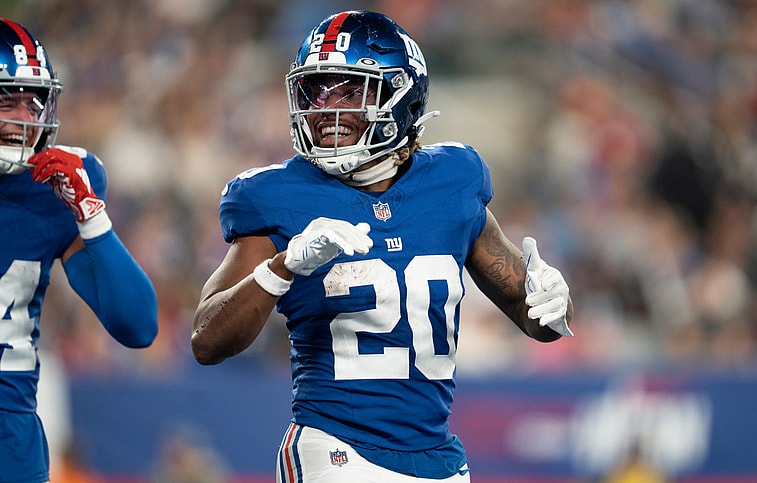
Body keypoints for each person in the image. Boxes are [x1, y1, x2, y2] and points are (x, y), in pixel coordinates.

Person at [191, 10, 573, 482]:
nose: (325, 109)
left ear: (401, 95)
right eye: (315, 91)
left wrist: (553, 300)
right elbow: (207, 341)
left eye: (349, 91)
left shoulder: (453, 179)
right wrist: (281, 267)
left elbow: (533, 316)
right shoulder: (274, 195)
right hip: (335, 447)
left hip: (439, 459)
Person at [0, 18, 158, 483]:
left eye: (34, 102)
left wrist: (92, 217)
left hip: (10, 437)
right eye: (7, 101)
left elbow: (138, 326)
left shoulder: (52, 186)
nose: (25, 119)